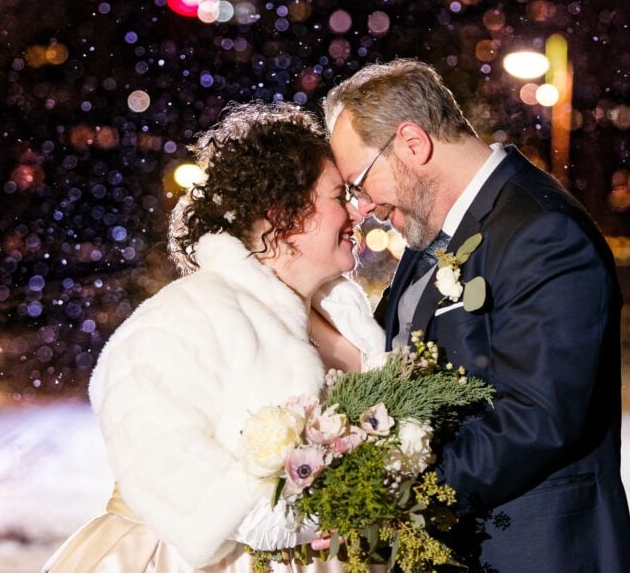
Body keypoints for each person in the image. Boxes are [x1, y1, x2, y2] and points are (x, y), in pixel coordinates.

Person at [323, 60, 630, 572]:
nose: (361, 209)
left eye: (359, 183)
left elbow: (538, 418)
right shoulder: (429, 233)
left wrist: (394, 486)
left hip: (533, 551)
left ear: (411, 143)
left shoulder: (542, 231)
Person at [42, 102, 385, 573]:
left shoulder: (347, 322)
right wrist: (299, 519)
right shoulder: (183, 317)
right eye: (337, 195)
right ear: (281, 215)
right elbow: (159, 457)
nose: (357, 209)